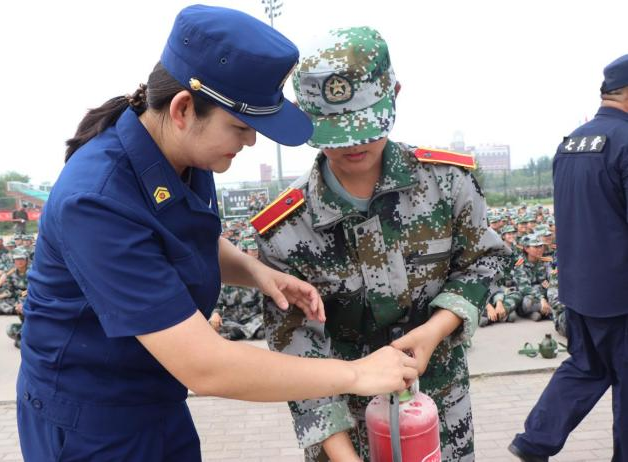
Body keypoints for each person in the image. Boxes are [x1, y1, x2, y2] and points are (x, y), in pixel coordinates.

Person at [17, 7, 418, 462]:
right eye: (241, 127)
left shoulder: (185, 153)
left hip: (155, 397)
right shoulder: (96, 201)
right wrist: (356, 374)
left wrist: (255, 271)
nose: (250, 142)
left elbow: (182, 237)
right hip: (91, 421)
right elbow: (205, 367)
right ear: (183, 109)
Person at [254, 27, 505, 462]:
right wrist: (344, 455)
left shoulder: (447, 183)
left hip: (440, 411)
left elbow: (483, 261)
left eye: (365, 124)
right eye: (337, 132)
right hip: (345, 427)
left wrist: (436, 328)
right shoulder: (287, 227)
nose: (353, 143)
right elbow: (297, 353)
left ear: (394, 95)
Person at [509, 55, 628, 462]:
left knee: (586, 367)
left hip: (577, 288)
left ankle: (534, 441)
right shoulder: (625, 141)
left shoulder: (571, 143)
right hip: (621, 296)